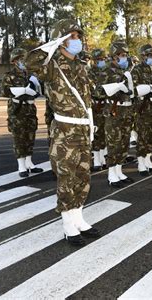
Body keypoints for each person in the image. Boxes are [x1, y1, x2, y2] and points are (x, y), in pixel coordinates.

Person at [26, 19, 100, 246]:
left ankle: (78, 219)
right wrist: (52, 44)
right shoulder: (50, 65)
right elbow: (31, 62)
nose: (77, 41)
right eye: (73, 37)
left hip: (83, 128)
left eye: (78, 36)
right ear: (62, 40)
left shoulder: (80, 65)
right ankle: (68, 224)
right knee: (66, 178)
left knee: (83, 176)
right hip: (65, 130)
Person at [2, 48, 44, 178]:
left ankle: (29, 162)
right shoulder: (10, 76)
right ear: (14, 61)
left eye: (24, 59)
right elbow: (5, 92)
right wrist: (20, 91)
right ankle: (21, 165)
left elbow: (39, 91)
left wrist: (37, 86)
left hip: (30, 109)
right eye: (20, 59)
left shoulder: (31, 75)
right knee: (19, 137)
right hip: (17, 109)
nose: (23, 62)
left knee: (30, 135)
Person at [104, 40, 136, 187]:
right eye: (122, 55)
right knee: (114, 142)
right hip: (114, 110)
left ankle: (119, 170)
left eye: (125, 55)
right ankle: (111, 173)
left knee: (124, 142)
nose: (125, 58)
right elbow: (98, 91)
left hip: (127, 109)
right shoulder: (107, 71)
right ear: (114, 56)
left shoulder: (125, 71)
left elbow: (132, 93)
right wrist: (117, 86)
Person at [131, 44, 152, 176]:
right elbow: (135, 89)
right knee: (143, 135)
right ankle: (141, 161)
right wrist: (149, 87)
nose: (151, 58)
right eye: (149, 55)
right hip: (143, 107)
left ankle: (147, 159)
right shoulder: (136, 69)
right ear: (143, 56)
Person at [88, 48, 109, 171]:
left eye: (103, 59)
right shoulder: (90, 74)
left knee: (104, 133)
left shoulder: (106, 72)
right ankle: (96, 160)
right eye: (99, 59)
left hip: (105, 105)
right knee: (96, 133)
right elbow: (92, 91)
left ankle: (102, 158)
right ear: (94, 61)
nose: (102, 61)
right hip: (96, 106)